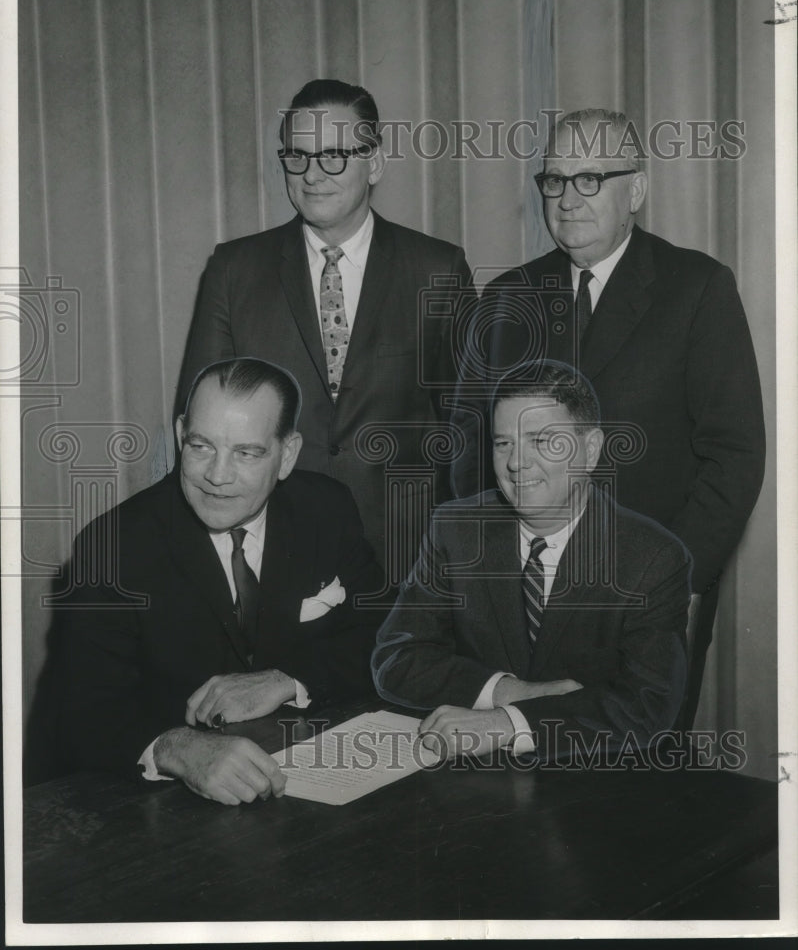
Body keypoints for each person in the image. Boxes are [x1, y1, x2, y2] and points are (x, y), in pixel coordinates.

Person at [451, 108, 764, 728]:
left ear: (636, 191)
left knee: (630, 788)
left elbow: (734, 455)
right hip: (525, 597)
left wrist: (674, 581)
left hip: (644, 598)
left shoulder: (697, 287)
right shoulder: (508, 296)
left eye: (591, 179)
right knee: (513, 772)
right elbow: (466, 445)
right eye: (554, 180)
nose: (568, 199)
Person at [178, 78, 474, 579]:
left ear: (374, 162)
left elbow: (467, 426)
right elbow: (199, 419)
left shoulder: (438, 269)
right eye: (298, 156)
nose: (313, 174)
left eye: (334, 156)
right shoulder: (234, 269)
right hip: (273, 549)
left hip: (407, 555)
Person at [56, 357, 384, 805]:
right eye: (201, 446)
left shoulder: (325, 509)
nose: (217, 476)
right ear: (178, 437)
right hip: (168, 810)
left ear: (286, 455)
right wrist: (177, 747)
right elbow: (79, 713)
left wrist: (290, 679)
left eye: (246, 452)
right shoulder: (113, 546)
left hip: (316, 784)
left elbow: (386, 636)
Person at [374, 361, 690, 762]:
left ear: (590, 450)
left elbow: (648, 707)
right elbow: (397, 659)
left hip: (595, 783)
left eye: (542, 441)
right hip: (471, 780)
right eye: (504, 443)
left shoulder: (651, 558)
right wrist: (508, 692)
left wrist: (509, 723)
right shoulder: (456, 528)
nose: (516, 463)